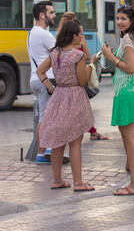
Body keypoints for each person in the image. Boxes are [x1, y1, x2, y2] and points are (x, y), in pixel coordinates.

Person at [38, 20, 97, 191]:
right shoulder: (77, 56)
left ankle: (57, 180)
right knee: (75, 142)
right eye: (81, 34)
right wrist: (91, 64)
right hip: (74, 97)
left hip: (58, 97)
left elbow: (40, 71)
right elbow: (82, 81)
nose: (82, 37)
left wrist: (50, 87)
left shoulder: (55, 53)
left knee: (57, 142)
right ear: (74, 36)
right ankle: (78, 183)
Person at [101, 6, 134, 195]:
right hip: (126, 91)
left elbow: (130, 68)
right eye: (118, 18)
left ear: (132, 20)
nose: (120, 22)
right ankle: (132, 177)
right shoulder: (131, 37)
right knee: (126, 135)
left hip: (128, 90)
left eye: (123, 18)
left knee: (130, 137)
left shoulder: (129, 38)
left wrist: (110, 57)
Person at [57, 12, 108, 141]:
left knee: (80, 107)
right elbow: (87, 56)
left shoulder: (66, 42)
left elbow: (86, 55)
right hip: (74, 79)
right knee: (79, 108)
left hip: (70, 78)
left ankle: (90, 131)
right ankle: (86, 132)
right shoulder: (69, 41)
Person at [27, 0, 62, 164]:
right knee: (45, 118)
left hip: (36, 79)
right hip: (45, 80)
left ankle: (44, 150)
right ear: (42, 15)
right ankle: (42, 153)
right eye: (51, 13)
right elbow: (59, 55)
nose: (54, 15)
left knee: (44, 116)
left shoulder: (32, 32)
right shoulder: (43, 34)